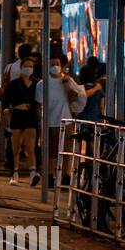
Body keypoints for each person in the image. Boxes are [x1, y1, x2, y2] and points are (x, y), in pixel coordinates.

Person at [35, 53, 85, 186]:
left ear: (62, 66)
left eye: (57, 64)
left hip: (66, 120)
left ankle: (66, 175)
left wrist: (67, 85)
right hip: (49, 121)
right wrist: (41, 124)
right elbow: (39, 105)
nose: (55, 67)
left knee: (67, 149)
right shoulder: (42, 84)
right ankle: (51, 175)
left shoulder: (68, 80)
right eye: (52, 64)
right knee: (52, 151)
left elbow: (75, 98)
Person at [3, 53, 39, 185]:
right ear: (21, 67)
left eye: (31, 66)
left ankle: (33, 173)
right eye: (26, 66)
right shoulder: (14, 84)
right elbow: (5, 100)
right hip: (17, 115)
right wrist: (7, 111)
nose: (29, 68)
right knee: (16, 147)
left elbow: (39, 101)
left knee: (30, 147)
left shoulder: (37, 84)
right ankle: (15, 172)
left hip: (30, 117)